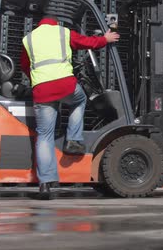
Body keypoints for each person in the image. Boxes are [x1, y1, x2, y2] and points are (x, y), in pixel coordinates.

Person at [20, 15, 120, 199]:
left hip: (42, 89)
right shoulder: (63, 32)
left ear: (39, 24)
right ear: (55, 23)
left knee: (44, 136)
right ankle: (73, 139)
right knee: (80, 100)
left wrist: (38, 79)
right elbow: (86, 42)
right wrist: (105, 39)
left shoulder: (28, 39)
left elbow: (26, 66)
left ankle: (44, 184)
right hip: (65, 85)